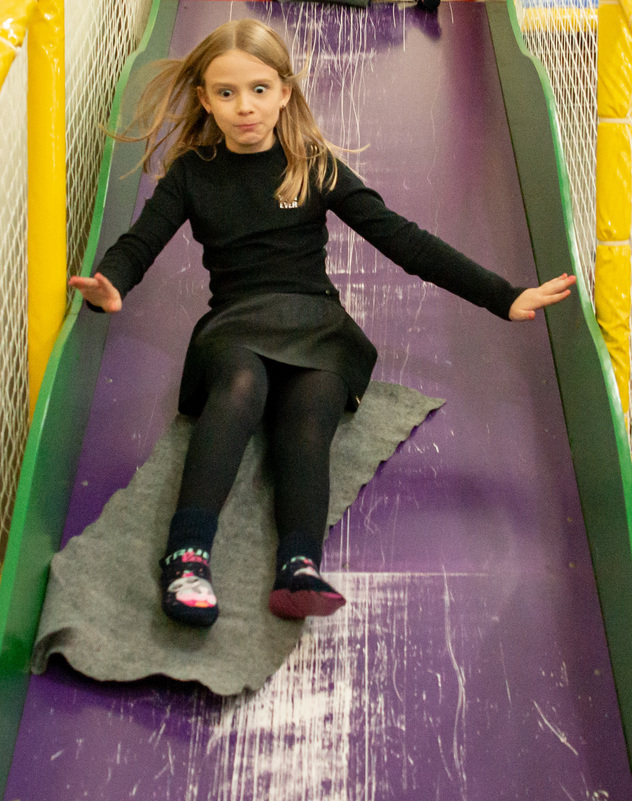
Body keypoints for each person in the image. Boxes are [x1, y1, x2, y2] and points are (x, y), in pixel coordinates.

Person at [68, 18, 574, 628]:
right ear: (204, 98)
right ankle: (186, 555)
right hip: (236, 323)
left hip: (317, 326)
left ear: (284, 91)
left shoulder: (312, 165)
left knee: (311, 415)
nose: (244, 107)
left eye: (259, 89)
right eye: (225, 93)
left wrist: (505, 295)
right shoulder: (193, 175)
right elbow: (139, 242)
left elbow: (403, 241)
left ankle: (299, 565)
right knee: (240, 388)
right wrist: (110, 285)